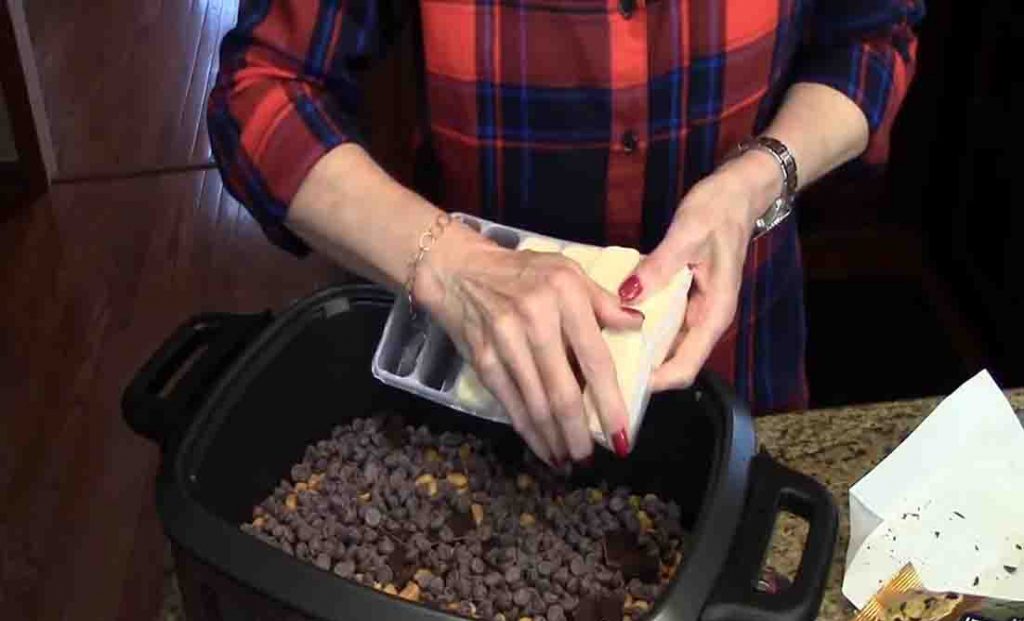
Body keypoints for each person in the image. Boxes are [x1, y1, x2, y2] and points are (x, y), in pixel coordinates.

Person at [208, 0, 923, 466]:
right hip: (486, 393)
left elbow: (871, 39)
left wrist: (759, 178)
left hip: (738, 363)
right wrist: (452, 263)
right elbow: (261, 92)